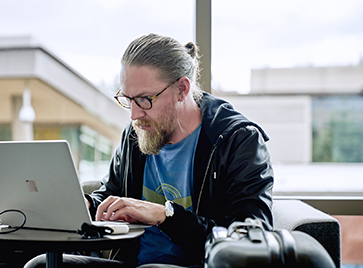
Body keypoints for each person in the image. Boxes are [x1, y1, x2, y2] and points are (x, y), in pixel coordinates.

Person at [24, 33, 273, 268]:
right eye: (128, 99)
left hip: (197, 263)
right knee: (42, 264)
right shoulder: (136, 132)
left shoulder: (237, 140)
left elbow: (249, 240)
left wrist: (166, 216)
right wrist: (89, 205)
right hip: (133, 263)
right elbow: (111, 191)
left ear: (182, 89)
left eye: (144, 99)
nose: (134, 114)